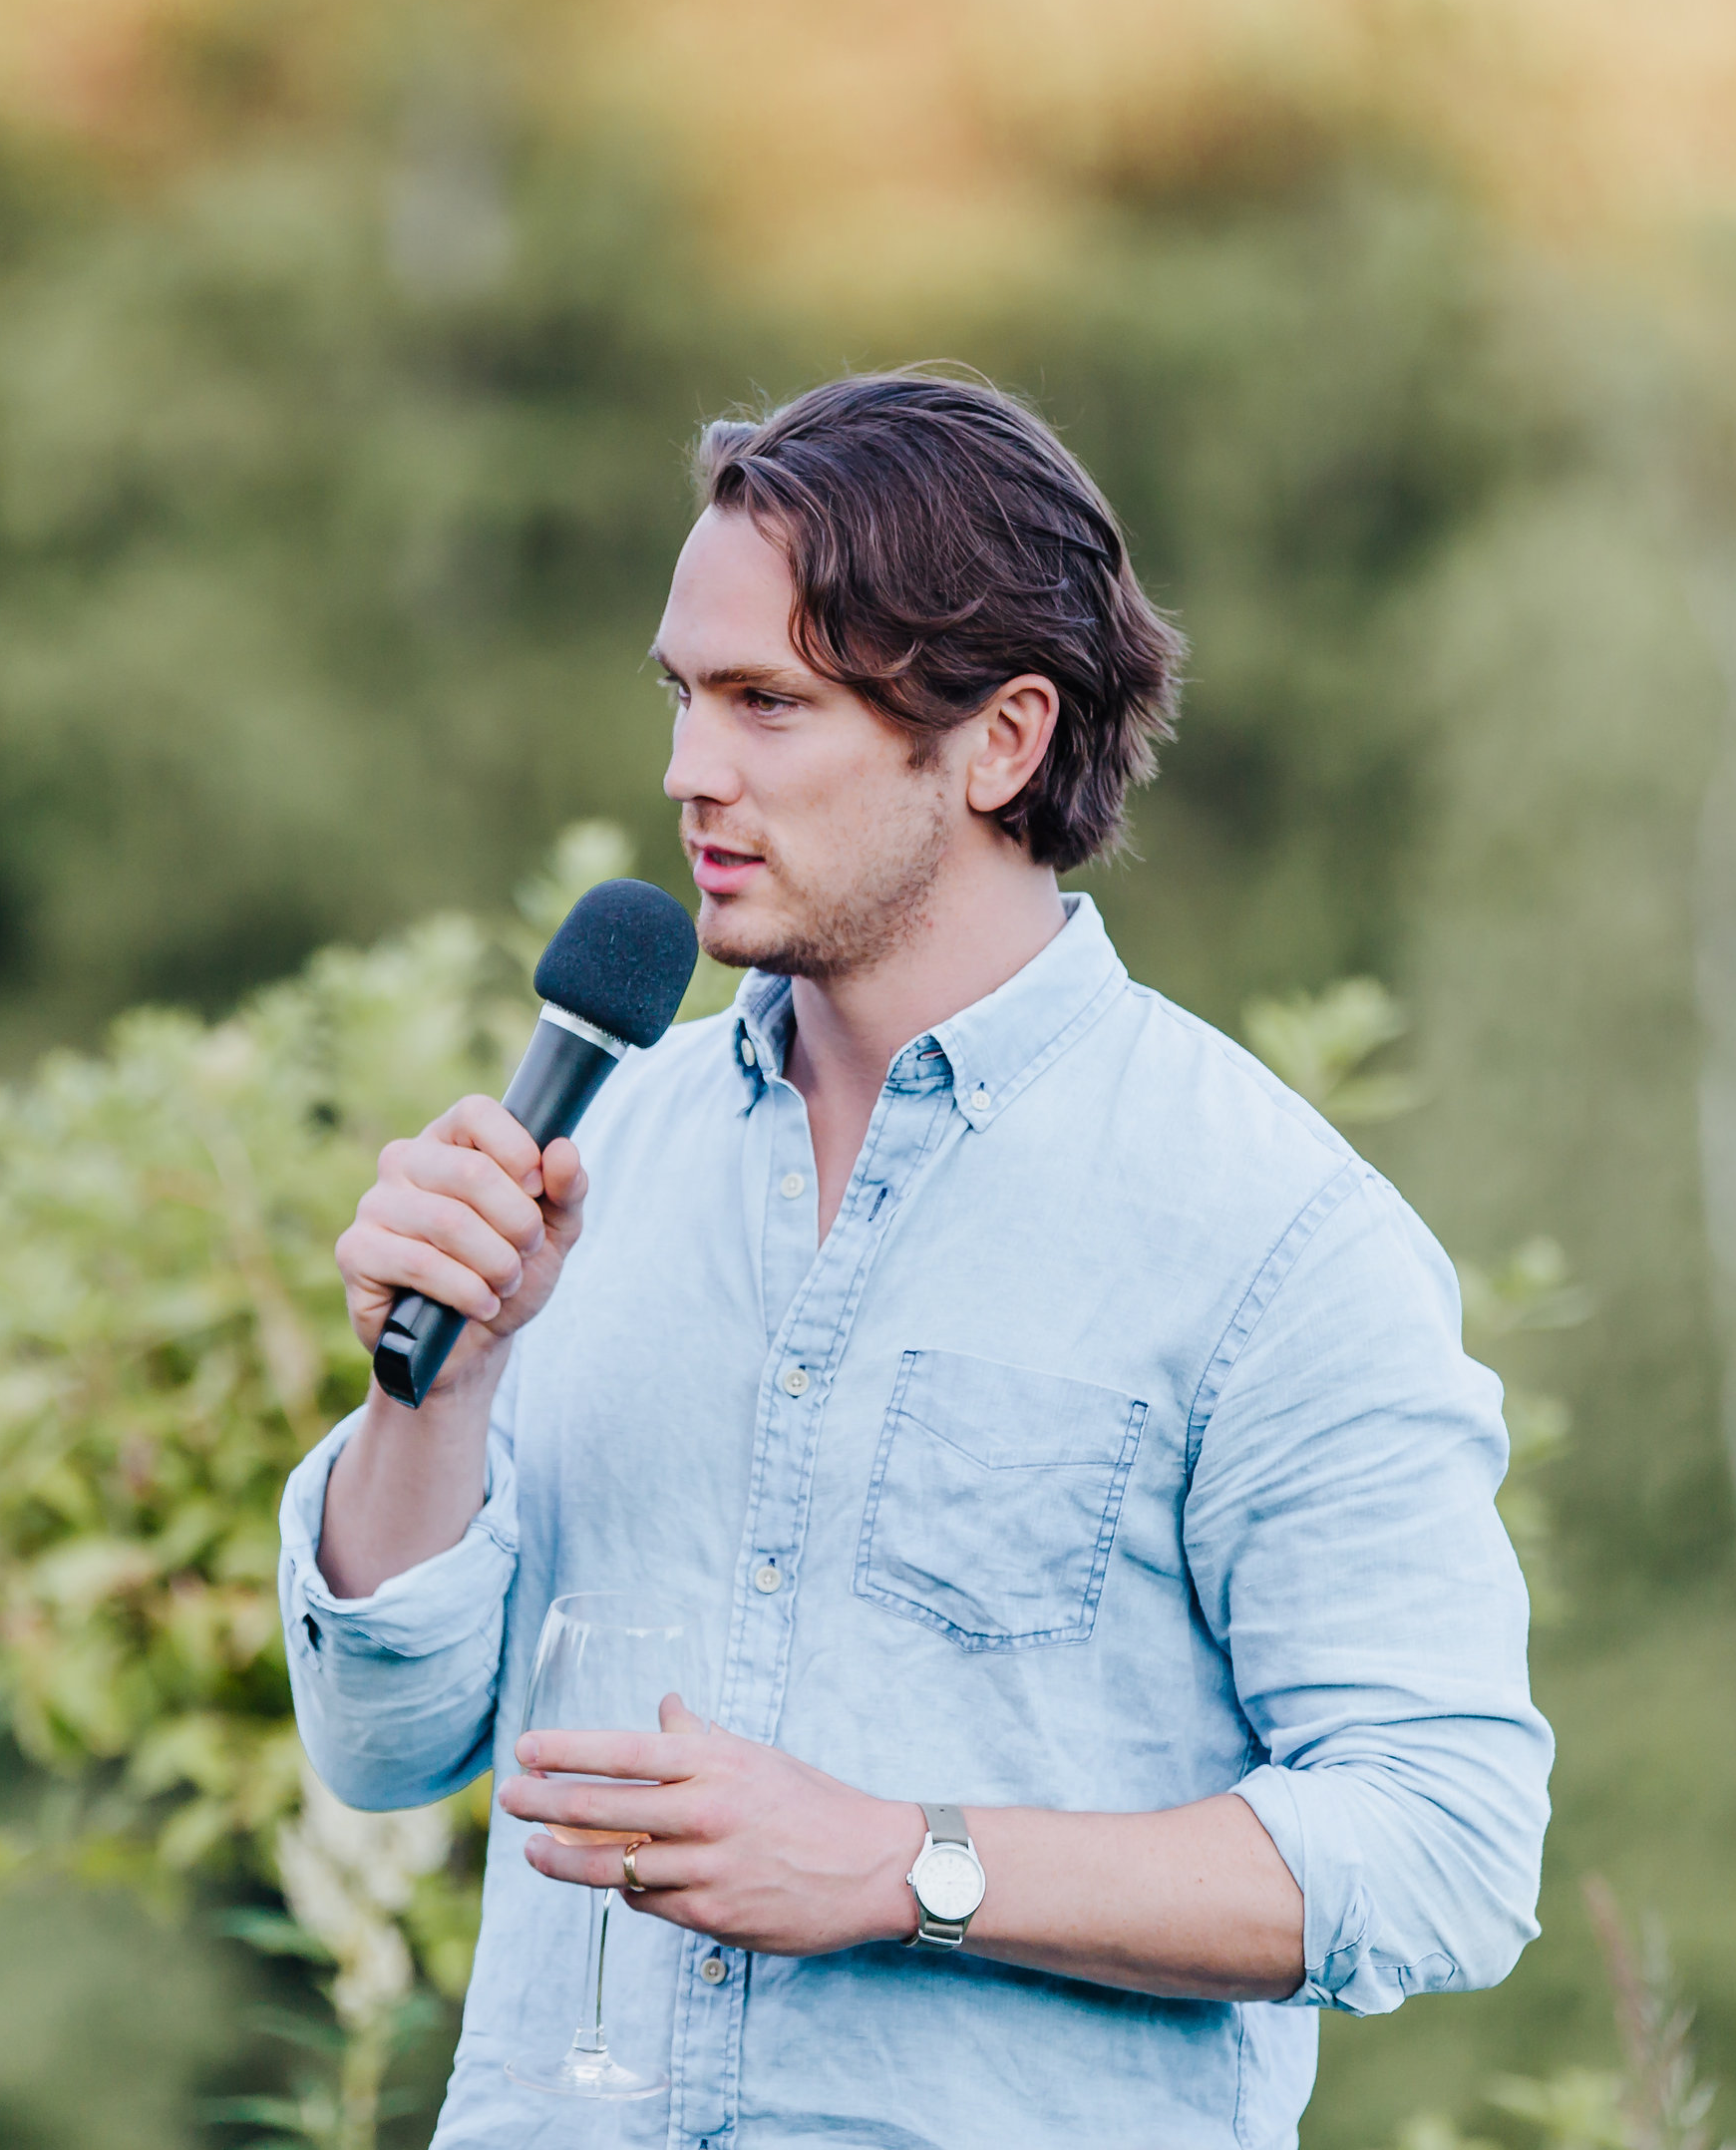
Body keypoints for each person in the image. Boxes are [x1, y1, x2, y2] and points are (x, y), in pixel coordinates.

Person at [279, 370, 1551, 2147]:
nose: (686, 772)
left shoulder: (1270, 1235)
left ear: (1002, 741)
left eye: (768, 706)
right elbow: (382, 1747)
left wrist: (905, 1865)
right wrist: (444, 1388)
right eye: (683, 699)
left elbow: (1443, 1845)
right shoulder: (602, 1160)